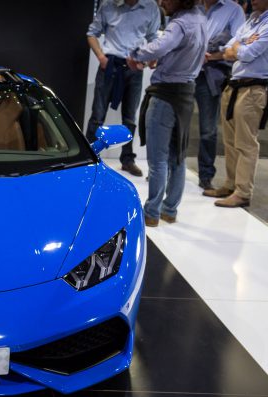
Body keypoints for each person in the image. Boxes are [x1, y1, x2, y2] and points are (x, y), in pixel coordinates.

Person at [127, 0, 207, 227]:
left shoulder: (180, 24)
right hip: (185, 93)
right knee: (177, 155)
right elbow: (179, 52)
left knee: (158, 158)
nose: (162, 2)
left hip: (165, 95)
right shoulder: (201, 20)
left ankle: (151, 212)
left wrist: (136, 53)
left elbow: (158, 47)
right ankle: (170, 210)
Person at [86, 0, 162, 177]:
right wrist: (101, 57)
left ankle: (128, 160)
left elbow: (154, 38)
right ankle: (89, 157)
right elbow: (92, 33)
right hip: (110, 64)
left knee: (130, 117)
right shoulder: (109, 5)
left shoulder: (150, 7)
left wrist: (151, 60)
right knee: (97, 114)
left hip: (135, 67)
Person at [205, 0, 268, 207]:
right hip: (234, 85)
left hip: (253, 87)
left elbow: (245, 53)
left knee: (246, 143)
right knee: (230, 140)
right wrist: (239, 46)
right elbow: (227, 48)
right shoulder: (251, 20)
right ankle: (231, 184)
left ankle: (243, 192)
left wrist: (238, 47)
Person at [194, 0, 245, 191]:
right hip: (186, 71)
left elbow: (237, 44)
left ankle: (205, 175)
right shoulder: (193, 6)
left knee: (208, 129)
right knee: (174, 124)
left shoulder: (233, 10)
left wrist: (213, 55)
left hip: (211, 74)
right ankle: (167, 169)